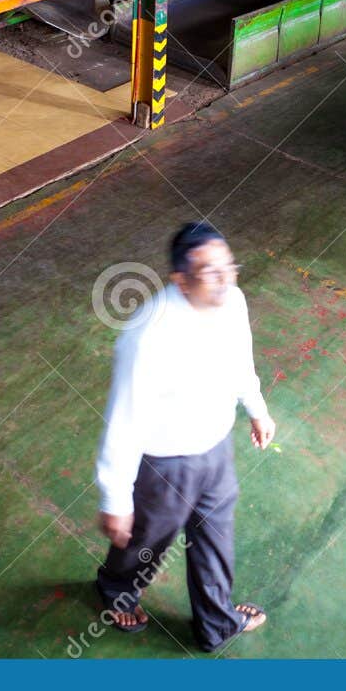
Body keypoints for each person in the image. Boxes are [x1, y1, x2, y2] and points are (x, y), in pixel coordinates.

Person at [94, 221, 277, 650]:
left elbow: (240, 360)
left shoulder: (232, 300)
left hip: (216, 448)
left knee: (215, 538)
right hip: (165, 464)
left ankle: (216, 624)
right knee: (146, 542)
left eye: (229, 267)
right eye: (210, 271)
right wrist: (115, 500)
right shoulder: (149, 332)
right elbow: (124, 418)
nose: (225, 279)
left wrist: (257, 409)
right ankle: (116, 590)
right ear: (180, 279)